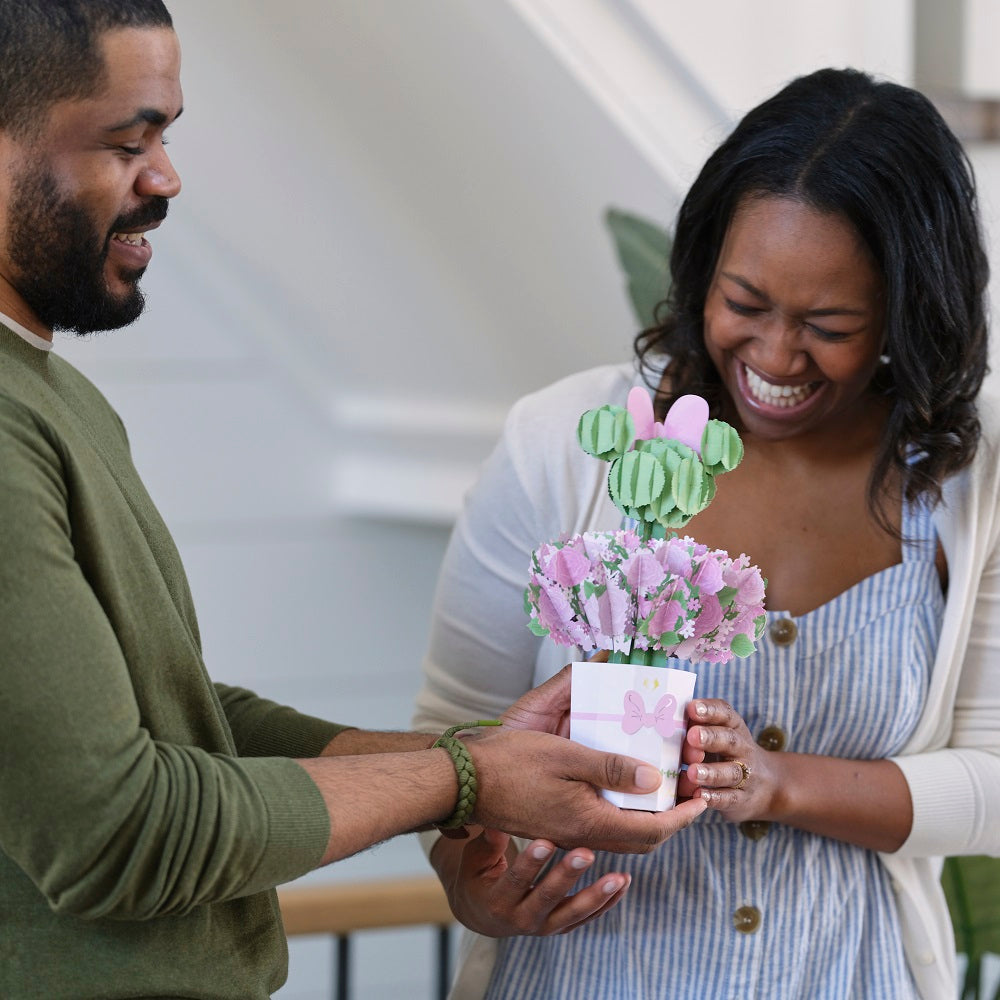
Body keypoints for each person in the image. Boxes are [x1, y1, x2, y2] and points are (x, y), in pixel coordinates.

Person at [0, 4, 707, 999]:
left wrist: (482, 755)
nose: (166, 178)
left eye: (167, 135)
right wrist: (469, 780)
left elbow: (184, 724)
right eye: (128, 141)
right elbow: (115, 832)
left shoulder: (56, 398)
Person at [414, 67, 1000, 1000]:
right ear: (701, 271)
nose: (773, 357)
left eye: (828, 324)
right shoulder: (563, 446)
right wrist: (477, 894)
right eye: (746, 303)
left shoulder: (971, 487)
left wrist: (780, 783)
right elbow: (450, 747)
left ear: (905, 308)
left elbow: (994, 780)